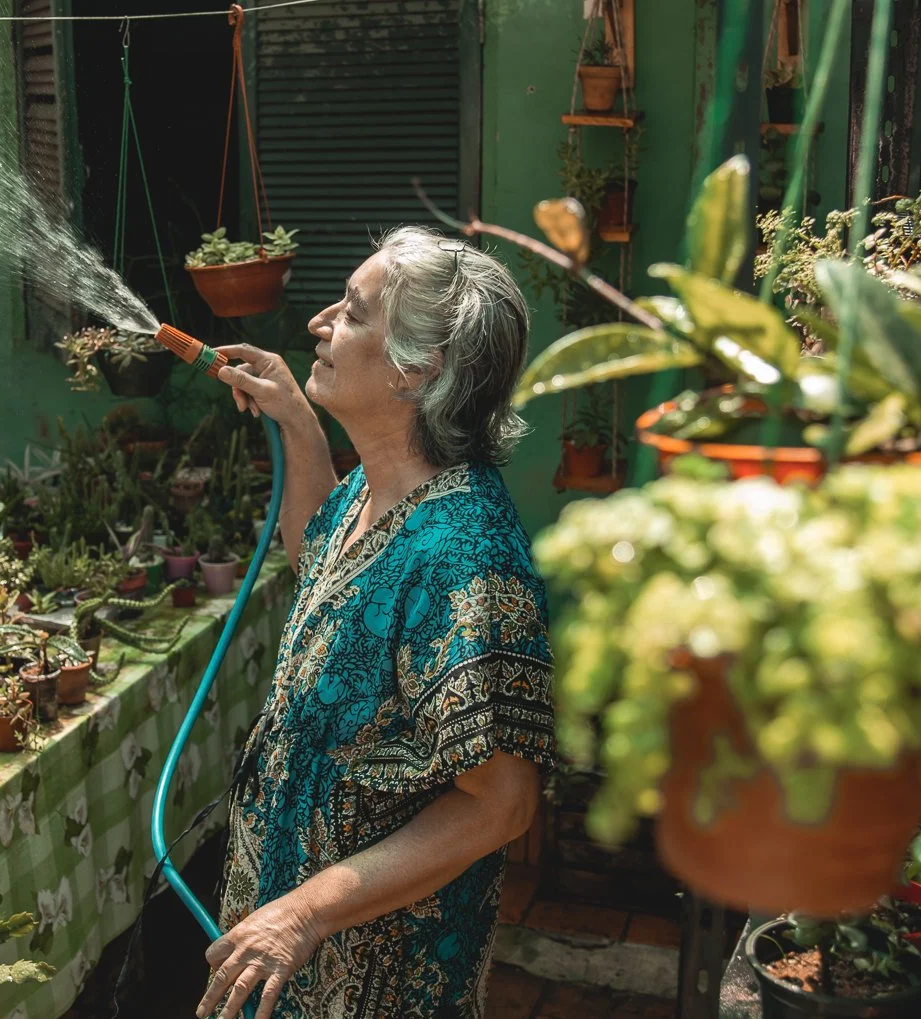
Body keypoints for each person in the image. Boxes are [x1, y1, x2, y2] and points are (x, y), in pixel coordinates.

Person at [197, 226, 557, 1019]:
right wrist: (297, 422)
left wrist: (304, 912)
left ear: (418, 366)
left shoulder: (465, 555)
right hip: (296, 954)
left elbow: (501, 801)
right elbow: (320, 564)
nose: (321, 324)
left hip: (377, 975)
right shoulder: (373, 489)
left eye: (353, 312)